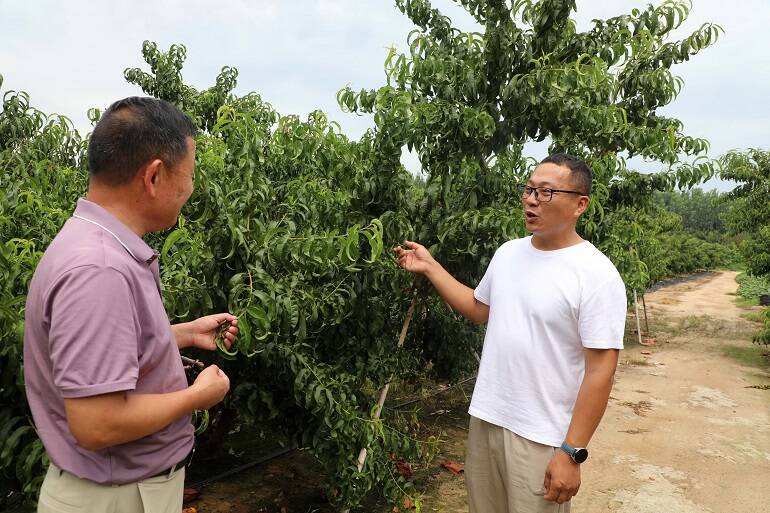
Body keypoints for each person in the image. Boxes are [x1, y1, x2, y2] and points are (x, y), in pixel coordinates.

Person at [24, 97, 237, 513]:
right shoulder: (100, 269)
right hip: (116, 498)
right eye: (189, 175)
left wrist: (182, 333)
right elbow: (97, 424)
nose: (191, 189)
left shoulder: (92, 243)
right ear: (154, 176)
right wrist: (198, 396)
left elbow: (101, 350)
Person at [395, 154, 627, 513]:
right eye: (529, 189)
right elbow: (478, 308)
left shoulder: (596, 274)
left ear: (580, 205)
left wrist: (572, 452)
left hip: (541, 435)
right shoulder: (508, 254)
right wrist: (431, 267)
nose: (532, 200)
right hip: (487, 417)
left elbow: (601, 370)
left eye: (546, 192)